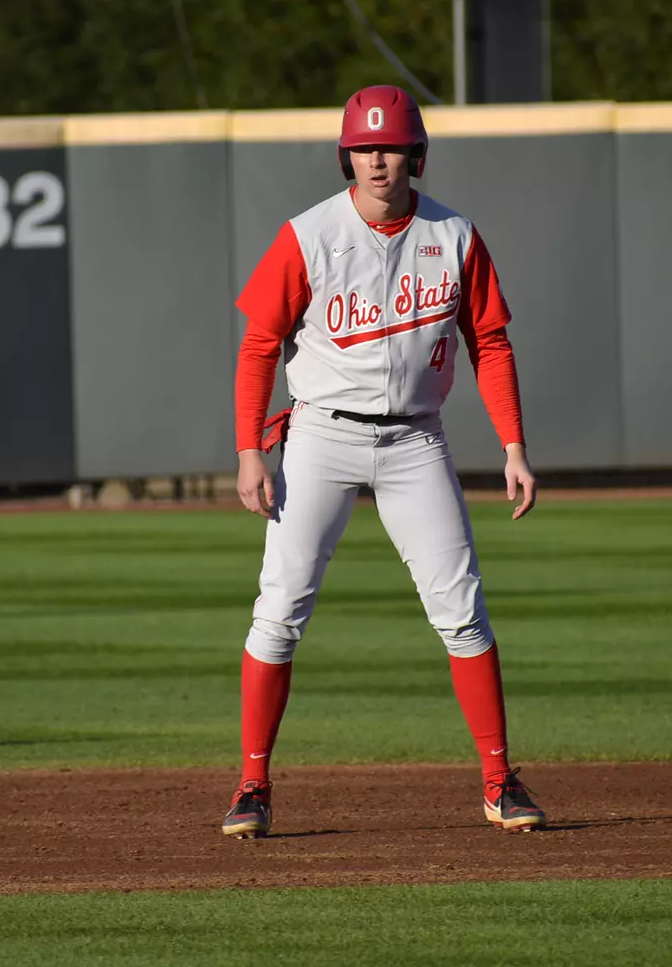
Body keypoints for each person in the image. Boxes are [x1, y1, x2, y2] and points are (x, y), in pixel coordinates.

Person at [222, 84, 544, 839]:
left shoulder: (455, 236)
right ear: (346, 155)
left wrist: (514, 446)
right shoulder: (307, 236)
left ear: (416, 155)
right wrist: (247, 451)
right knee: (280, 610)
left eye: (390, 146)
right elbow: (260, 346)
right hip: (320, 437)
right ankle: (252, 786)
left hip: (415, 440)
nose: (377, 159)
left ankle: (500, 780)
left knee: (461, 610)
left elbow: (489, 341)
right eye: (364, 147)